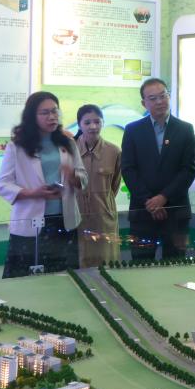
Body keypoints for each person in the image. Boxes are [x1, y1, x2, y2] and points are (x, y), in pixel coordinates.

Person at [0, 92, 86, 277]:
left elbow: (83, 177)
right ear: (32, 116)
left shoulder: (68, 143)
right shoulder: (17, 146)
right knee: (24, 279)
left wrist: (72, 176)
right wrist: (33, 193)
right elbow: (3, 185)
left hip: (64, 220)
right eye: (45, 113)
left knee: (64, 277)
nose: (52, 117)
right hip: (30, 222)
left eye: (55, 111)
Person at [121, 78, 195, 260]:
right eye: (153, 98)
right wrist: (149, 201)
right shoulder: (132, 130)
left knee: (176, 264)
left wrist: (163, 197)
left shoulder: (185, 129)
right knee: (141, 264)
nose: (159, 101)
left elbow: (188, 169)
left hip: (176, 211)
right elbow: (128, 169)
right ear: (143, 103)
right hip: (142, 211)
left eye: (163, 96)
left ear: (169, 96)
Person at [75, 104, 122, 268]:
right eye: (87, 122)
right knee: (80, 262)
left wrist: (103, 202)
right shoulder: (70, 150)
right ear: (79, 125)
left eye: (97, 122)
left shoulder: (114, 151)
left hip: (104, 218)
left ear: (103, 123)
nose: (93, 126)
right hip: (77, 218)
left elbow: (114, 186)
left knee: (107, 263)